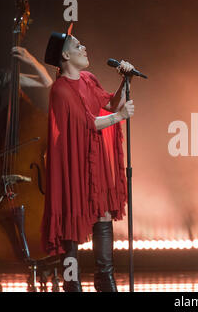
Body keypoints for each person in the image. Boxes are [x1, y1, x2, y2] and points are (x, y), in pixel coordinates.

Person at [41, 24, 136, 292]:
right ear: (66, 56)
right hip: (73, 168)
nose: (84, 47)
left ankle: (105, 281)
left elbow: (111, 104)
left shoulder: (88, 79)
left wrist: (125, 80)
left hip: (95, 165)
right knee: (71, 234)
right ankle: (73, 286)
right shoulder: (60, 89)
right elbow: (87, 122)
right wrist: (119, 117)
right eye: (77, 45)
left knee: (103, 225)